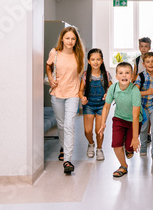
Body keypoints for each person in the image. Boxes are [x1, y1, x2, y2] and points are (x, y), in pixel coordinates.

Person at [46, 26, 85, 174]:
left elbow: (81, 76)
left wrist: (81, 93)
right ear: (62, 38)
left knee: (69, 125)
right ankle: (63, 147)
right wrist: (50, 78)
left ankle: (67, 160)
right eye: (67, 38)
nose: (70, 41)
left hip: (73, 94)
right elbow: (48, 66)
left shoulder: (79, 54)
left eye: (73, 39)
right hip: (57, 93)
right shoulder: (54, 52)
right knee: (61, 124)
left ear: (76, 41)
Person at [98, 62, 142, 178]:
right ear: (116, 76)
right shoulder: (113, 88)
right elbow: (106, 107)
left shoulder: (135, 91)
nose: (124, 76)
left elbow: (136, 116)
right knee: (116, 144)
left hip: (134, 121)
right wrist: (103, 124)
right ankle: (123, 166)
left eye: (127, 73)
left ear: (132, 76)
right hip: (119, 118)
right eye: (121, 73)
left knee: (130, 146)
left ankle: (129, 149)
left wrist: (135, 137)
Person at [79, 48, 112, 161]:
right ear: (88, 61)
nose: (96, 62)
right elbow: (80, 91)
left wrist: (108, 94)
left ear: (102, 60)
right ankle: (91, 144)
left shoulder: (106, 75)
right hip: (88, 105)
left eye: (98, 59)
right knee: (88, 131)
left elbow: (112, 88)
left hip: (101, 106)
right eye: (93, 59)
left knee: (99, 130)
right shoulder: (85, 75)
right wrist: (82, 97)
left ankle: (99, 149)